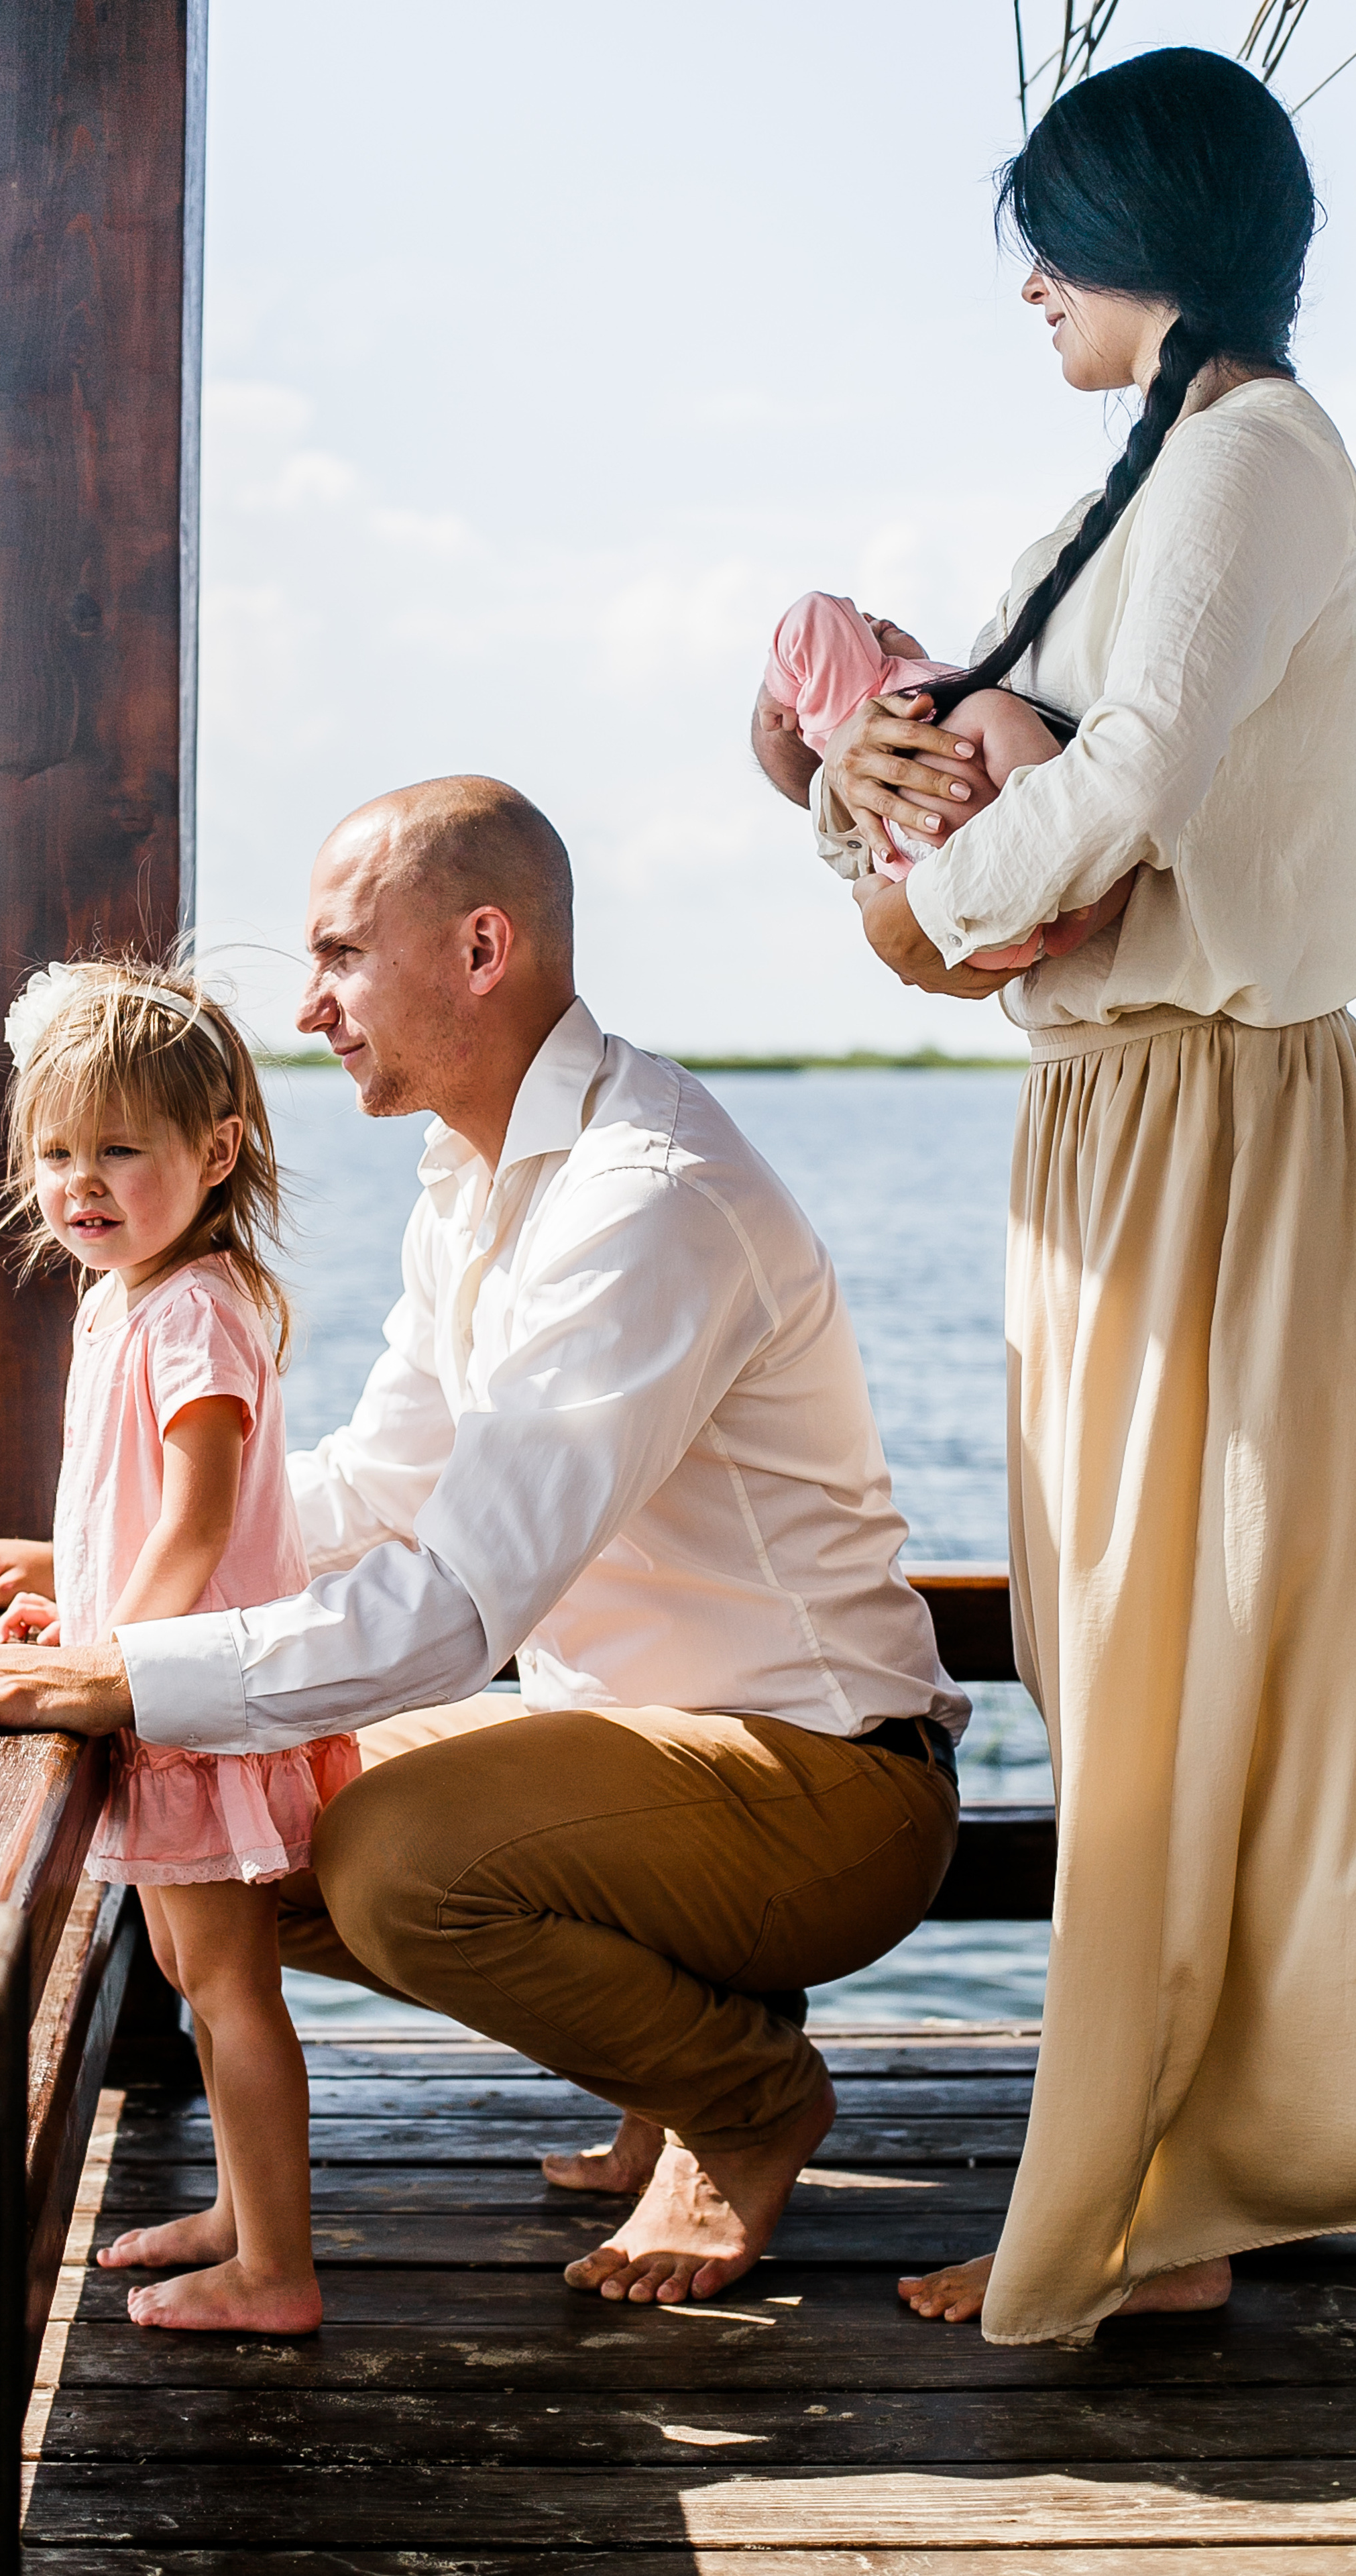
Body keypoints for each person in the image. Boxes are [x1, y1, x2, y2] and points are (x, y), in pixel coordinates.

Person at [0, 772, 969, 2309]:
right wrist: (100, 1571)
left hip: (826, 1781)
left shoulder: (640, 1198)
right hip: (643, 1753)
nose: (308, 1006)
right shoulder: (470, 1179)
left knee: (381, 1856)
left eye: (337, 956)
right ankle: (663, 2059)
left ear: (479, 947)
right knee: (281, 1815)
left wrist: (127, 1671)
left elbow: (451, 1603)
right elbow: (380, 1492)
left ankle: (741, 2096)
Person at [778, 50, 1356, 2345]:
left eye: (1059, 237)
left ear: (1158, 236)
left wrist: (912, 921)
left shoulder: (1257, 461)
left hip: (1217, 1110)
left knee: (1183, 1657)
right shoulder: (1143, 483)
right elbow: (956, 744)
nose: (1031, 284)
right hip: (1121, 1116)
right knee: (1136, 1656)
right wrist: (858, 797)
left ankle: (1153, 2190)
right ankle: (1177, 2172)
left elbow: (1133, 779)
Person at [0, 953, 358, 2334]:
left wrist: (105, 1663)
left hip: (189, 1697)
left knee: (233, 1988)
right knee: (201, 1975)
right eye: (54, 1150)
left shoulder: (193, 1307)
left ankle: (276, 2270)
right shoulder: (131, 1290)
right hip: (164, 1672)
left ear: (216, 1148)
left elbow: (198, 1511)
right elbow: (131, 1499)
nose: (80, 1181)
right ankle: (248, 2215)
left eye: (119, 1150)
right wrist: (61, 1588)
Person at [758, 591, 1069, 969]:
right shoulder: (858, 698)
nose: (867, 619)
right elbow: (814, 613)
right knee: (996, 710)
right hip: (954, 834)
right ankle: (1073, 843)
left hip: (961, 926)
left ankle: (1044, 933)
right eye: (859, 632)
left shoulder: (910, 698)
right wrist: (777, 689)